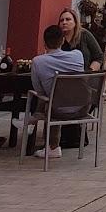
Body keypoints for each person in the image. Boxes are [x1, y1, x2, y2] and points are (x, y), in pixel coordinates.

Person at [29, 24, 85, 159]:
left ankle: (32, 121)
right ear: (63, 41)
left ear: (44, 43)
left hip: (56, 110)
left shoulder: (38, 61)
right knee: (57, 98)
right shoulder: (78, 55)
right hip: (82, 108)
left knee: (50, 99)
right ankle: (52, 146)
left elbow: (39, 91)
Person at [58, 6, 104, 72]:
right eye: (61, 20)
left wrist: (89, 72)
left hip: (84, 78)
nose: (64, 22)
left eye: (68, 19)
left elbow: (99, 57)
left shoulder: (84, 34)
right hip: (64, 78)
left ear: (75, 22)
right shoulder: (57, 38)